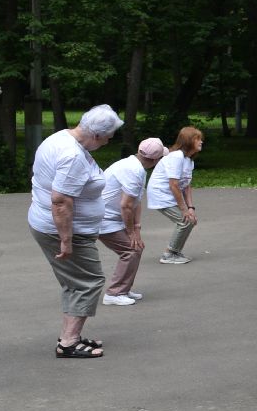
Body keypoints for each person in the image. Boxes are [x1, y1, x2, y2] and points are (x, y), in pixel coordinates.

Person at [29, 105, 122, 358]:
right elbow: (60, 201)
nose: (107, 143)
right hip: (63, 231)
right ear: (96, 135)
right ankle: (68, 343)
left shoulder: (60, 137)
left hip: (51, 225)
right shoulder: (72, 156)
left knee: (76, 281)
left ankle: (71, 336)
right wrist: (66, 240)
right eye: (107, 139)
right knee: (88, 281)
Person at [97, 138, 167, 306]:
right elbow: (126, 205)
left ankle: (123, 289)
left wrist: (136, 228)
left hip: (109, 216)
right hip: (103, 219)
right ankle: (115, 293)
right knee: (131, 250)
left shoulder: (134, 165)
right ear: (155, 160)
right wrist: (131, 232)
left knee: (135, 248)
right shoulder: (134, 171)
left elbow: (136, 201)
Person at [148, 126, 204, 264]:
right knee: (185, 221)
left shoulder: (189, 160)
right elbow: (173, 185)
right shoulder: (176, 157)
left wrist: (191, 208)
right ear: (188, 141)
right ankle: (168, 255)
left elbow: (186, 186)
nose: (201, 142)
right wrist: (184, 210)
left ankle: (174, 252)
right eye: (198, 139)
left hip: (171, 195)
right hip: (160, 194)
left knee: (189, 220)